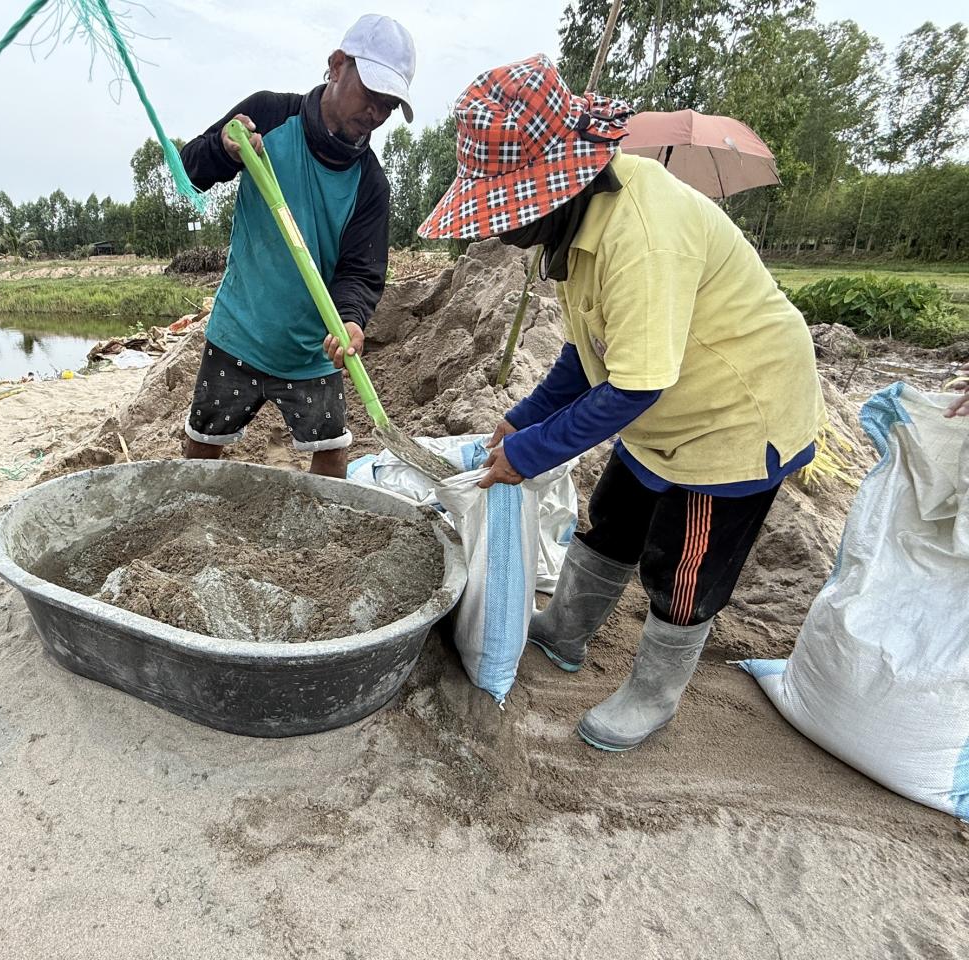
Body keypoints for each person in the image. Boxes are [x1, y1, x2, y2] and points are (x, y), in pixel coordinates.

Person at [416, 54, 825, 751]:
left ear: (558, 186)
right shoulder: (578, 229)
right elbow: (590, 350)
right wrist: (527, 417)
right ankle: (566, 631)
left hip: (732, 416)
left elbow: (635, 384)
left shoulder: (642, 234)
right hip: (662, 401)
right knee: (611, 521)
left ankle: (653, 694)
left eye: (508, 209)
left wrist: (531, 452)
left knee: (684, 563)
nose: (498, 229)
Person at [177, 14, 416, 478]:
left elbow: (361, 271)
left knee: (331, 449)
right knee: (204, 439)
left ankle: (322, 534)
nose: (376, 114)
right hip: (238, 333)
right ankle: (192, 510)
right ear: (336, 65)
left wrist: (350, 320)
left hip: (311, 349)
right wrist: (224, 148)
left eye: (388, 106)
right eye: (372, 96)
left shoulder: (371, 183)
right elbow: (190, 171)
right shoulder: (268, 115)